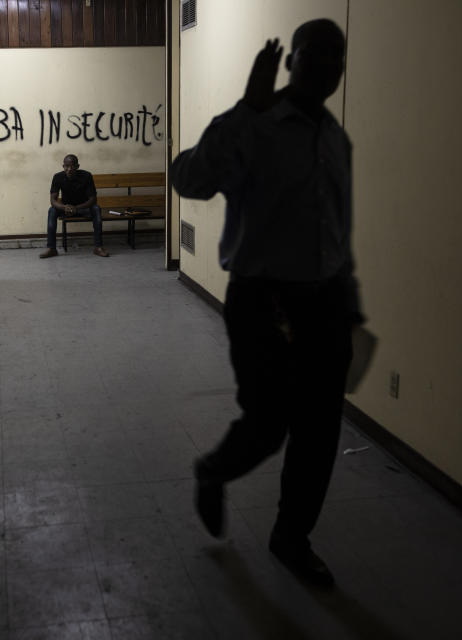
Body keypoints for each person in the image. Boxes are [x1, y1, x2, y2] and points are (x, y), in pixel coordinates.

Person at [170, 19, 364, 589]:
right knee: (269, 423)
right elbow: (191, 179)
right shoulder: (257, 127)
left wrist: (346, 301)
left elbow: (336, 232)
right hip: (263, 302)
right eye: (315, 54)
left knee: (320, 430)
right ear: (291, 60)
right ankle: (213, 471)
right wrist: (243, 111)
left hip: (324, 303)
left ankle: (291, 536)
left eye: (338, 56)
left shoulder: (335, 139)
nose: (328, 66)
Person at [41, 154, 109, 258]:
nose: (69, 169)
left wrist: (77, 208)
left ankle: (98, 247)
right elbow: (53, 200)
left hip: (83, 208)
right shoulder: (58, 177)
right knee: (52, 210)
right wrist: (64, 208)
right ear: (63, 166)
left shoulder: (86, 176)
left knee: (96, 208)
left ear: (77, 166)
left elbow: (93, 199)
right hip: (66, 209)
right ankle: (52, 248)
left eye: (72, 166)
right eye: (66, 166)